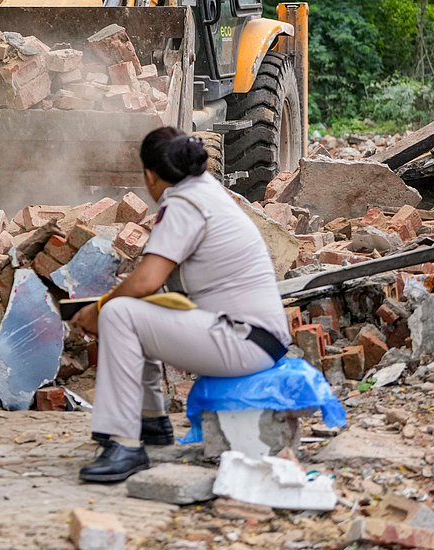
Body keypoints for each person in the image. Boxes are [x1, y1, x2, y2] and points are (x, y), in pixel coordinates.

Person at [73, 127, 291, 483]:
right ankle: (151, 422)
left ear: (150, 174)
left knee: (117, 313)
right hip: (255, 337)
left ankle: (124, 444)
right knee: (136, 311)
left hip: (243, 341)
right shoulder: (207, 192)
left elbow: (145, 280)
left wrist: (96, 311)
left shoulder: (183, 203)